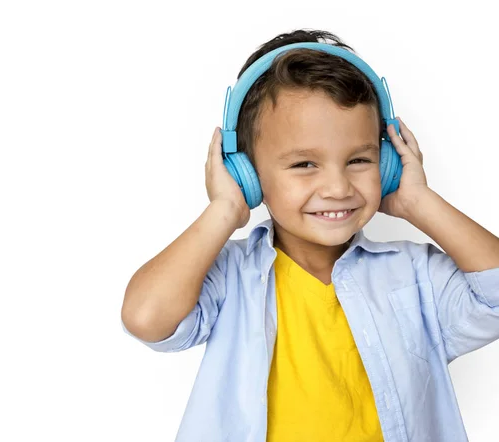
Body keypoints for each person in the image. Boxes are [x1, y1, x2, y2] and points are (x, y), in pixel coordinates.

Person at [120, 29, 499, 442]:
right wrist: (224, 210)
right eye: (304, 164)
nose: (338, 188)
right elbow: (146, 318)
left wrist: (418, 201)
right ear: (246, 173)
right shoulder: (230, 277)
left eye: (358, 159)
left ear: (386, 164)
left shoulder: (413, 276)